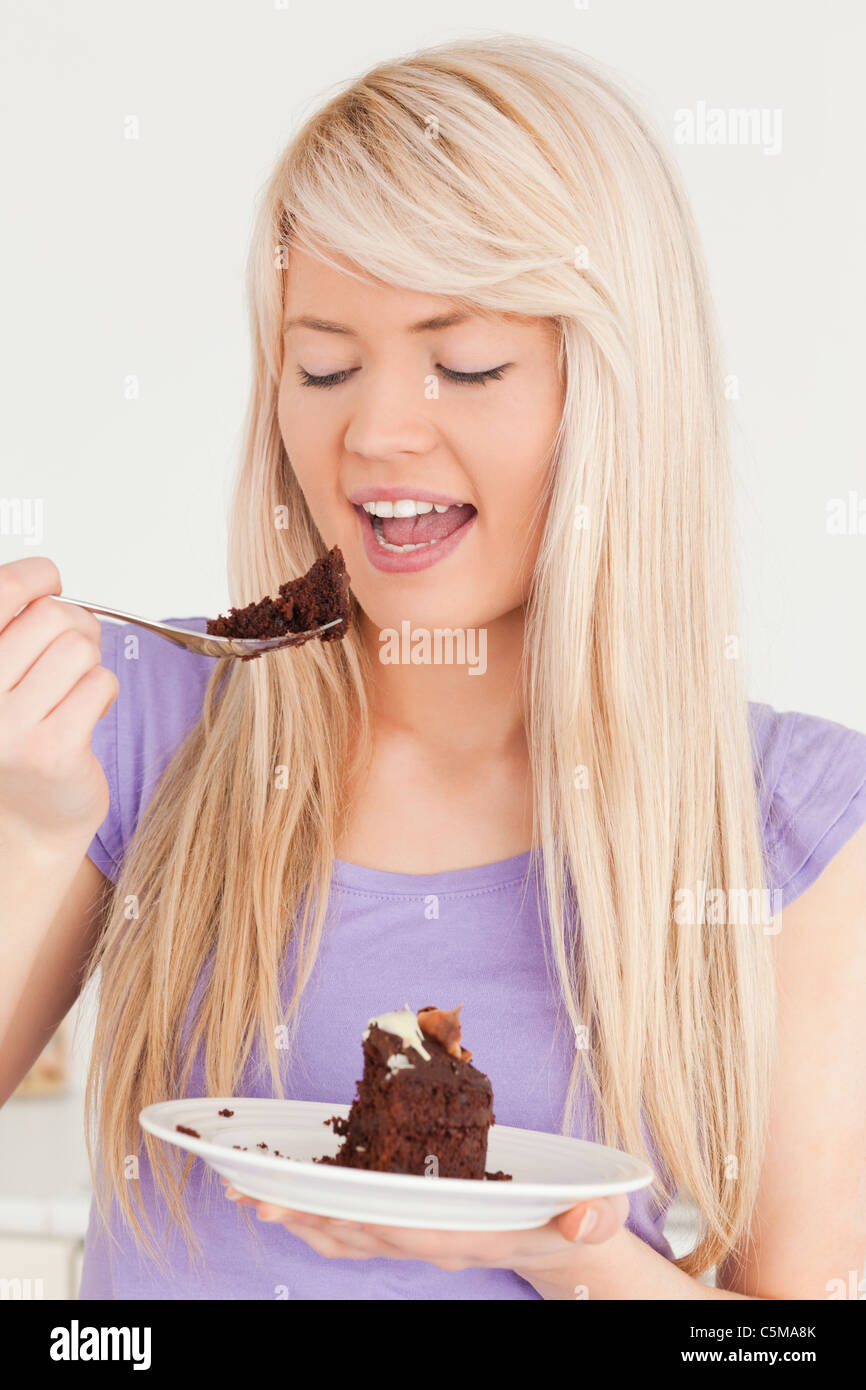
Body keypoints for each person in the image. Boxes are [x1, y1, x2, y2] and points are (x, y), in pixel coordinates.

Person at [1, 35, 864, 1300]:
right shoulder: (142, 728)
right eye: (324, 366)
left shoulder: (786, 821)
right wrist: (29, 827)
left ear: (614, 390)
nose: (377, 430)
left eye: (466, 364)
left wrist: (544, 1251)